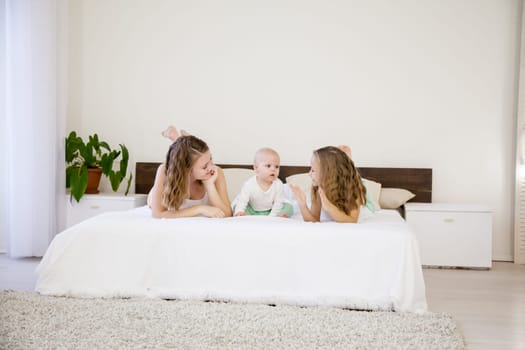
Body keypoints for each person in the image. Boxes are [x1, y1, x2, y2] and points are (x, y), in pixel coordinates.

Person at [147, 126, 232, 218]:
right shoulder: (164, 171)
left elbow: (227, 213)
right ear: (188, 171)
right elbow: (157, 214)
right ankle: (176, 138)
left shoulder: (216, 172)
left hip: (184, 166)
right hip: (168, 183)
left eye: (211, 159)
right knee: (152, 202)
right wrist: (200, 208)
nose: (211, 167)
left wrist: (209, 185)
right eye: (204, 166)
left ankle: (180, 140)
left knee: (191, 154)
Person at [289, 146, 366, 223]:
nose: (309, 174)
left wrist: (329, 207)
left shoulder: (353, 185)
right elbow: (314, 220)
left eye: (313, 170)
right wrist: (303, 205)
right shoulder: (317, 188)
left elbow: (352, 221)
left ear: (326, 173)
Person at [234, 147, 293, 218]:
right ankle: (246, 216)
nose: (273, 169)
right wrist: (239, 211)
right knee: (237, 205)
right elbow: (243, 200)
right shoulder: (249, 184)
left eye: (277, 167)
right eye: (268, 166)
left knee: (289, 207)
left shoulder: (278, 184)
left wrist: (271, 217)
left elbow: (278, 203)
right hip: (253, 210)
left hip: (270, 210)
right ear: (256, 168)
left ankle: (278, 216)